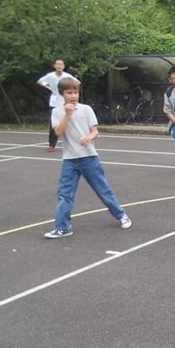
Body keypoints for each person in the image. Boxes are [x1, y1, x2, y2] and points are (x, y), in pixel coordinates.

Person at [44, 77, 132, 239]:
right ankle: (62, 227)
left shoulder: (86, 109)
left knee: (103, 190)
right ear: (62, 94)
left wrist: (89, 137)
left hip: (89, 157)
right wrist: (67, 115)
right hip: (69, 160)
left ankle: (121, 215)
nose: (73, 96)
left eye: (75, 92)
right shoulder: (57, 112)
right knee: (64, 194)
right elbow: (58, 132)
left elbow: (95, 130)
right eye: (69, 92)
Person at [37, 58, 78, 152]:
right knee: (53, 124)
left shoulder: (67, 76)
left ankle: (74, 143)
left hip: (66, 103)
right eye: (57, 64)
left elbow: (77, 82)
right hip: (54, 103)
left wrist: (71, 92)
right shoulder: (50, 76)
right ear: (54, 66)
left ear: (64, 66)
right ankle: (52, 144)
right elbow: (40, 81)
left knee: (71, 122)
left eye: (61, 64)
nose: (59, 66)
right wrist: (48, 87)